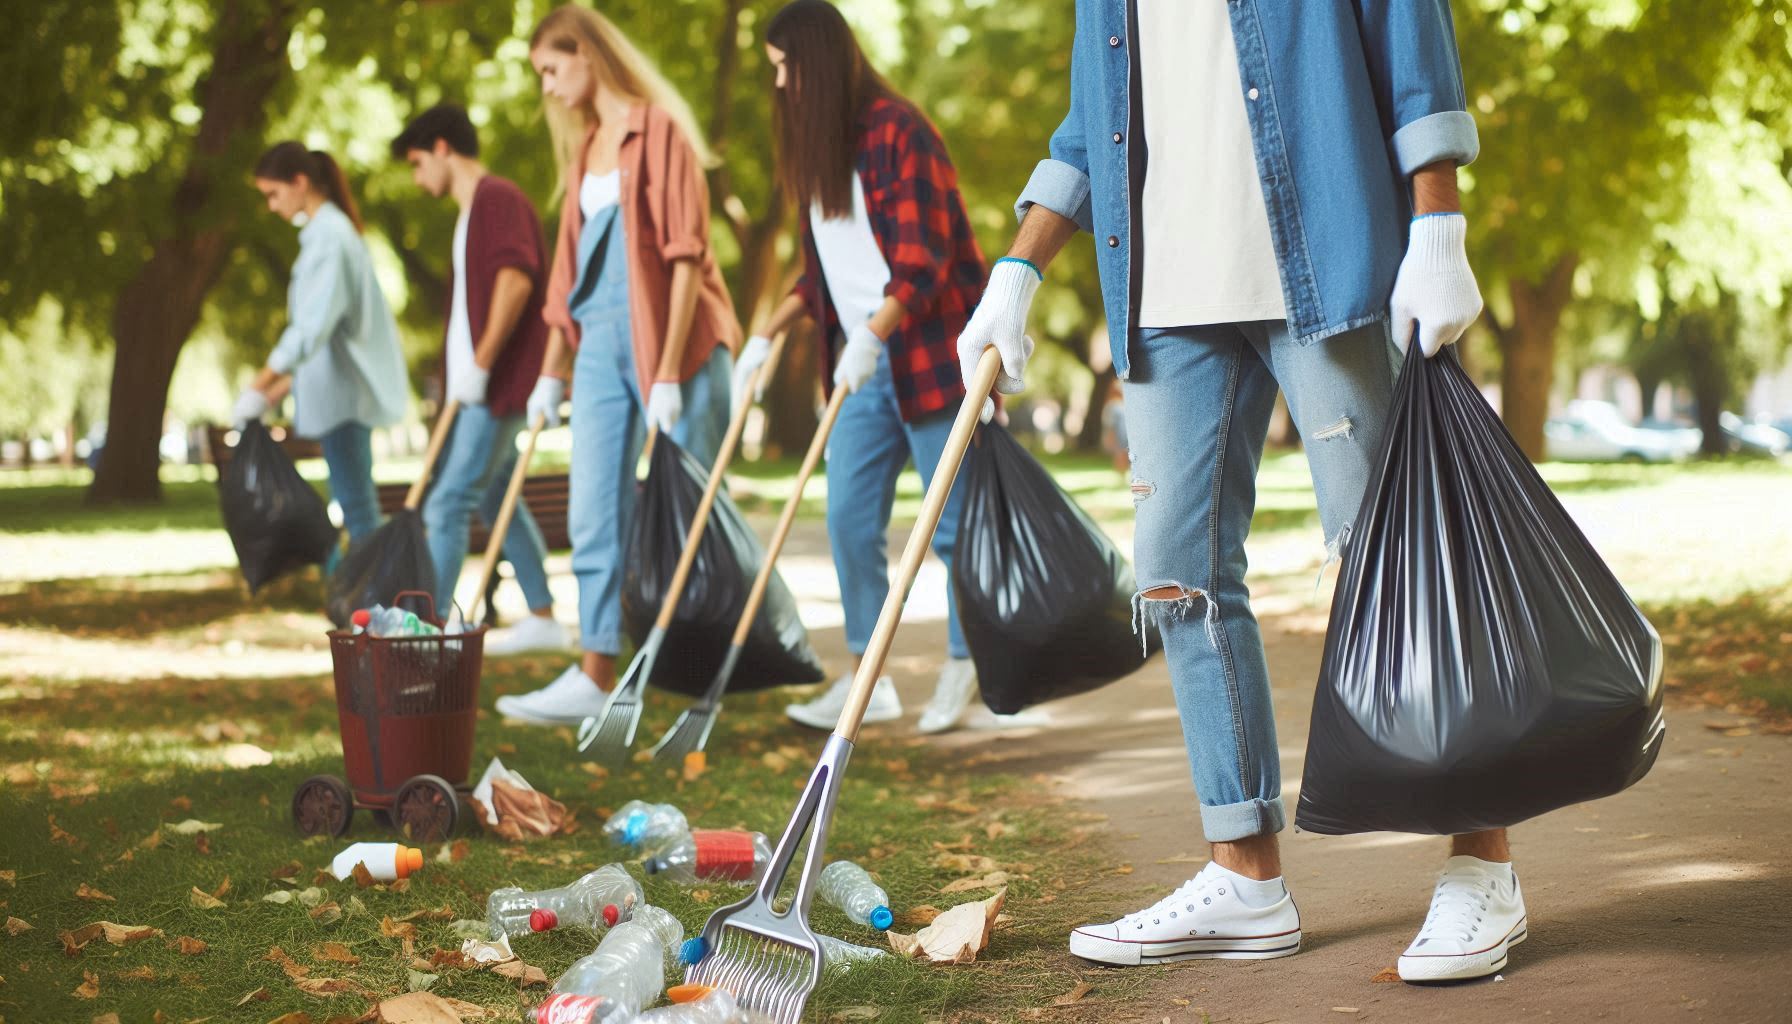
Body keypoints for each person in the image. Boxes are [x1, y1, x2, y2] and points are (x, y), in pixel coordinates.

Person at [956, 1, 1514, 984]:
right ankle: (1244, 875)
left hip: (1328, 264)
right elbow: (1094, 120)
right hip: (1165, 290)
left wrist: (1438, 220)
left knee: (1392, 568)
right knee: (1180, 585)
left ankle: (1483, 863)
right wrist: (1018, 267)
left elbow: (1408, 40)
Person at [736, 0, 993, 735]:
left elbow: (923, 262)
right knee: (849, 518)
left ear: (814, 62)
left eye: (784, 67)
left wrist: (872, 331)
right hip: (863, 363)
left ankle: (964, 665)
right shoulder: (824, 150)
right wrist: (768, 334)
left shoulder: (896, 131)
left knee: (951, 526)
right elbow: (820, 274)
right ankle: (867, 677)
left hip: (927, 353)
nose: (778, 83)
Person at [496, 4, 740, 725]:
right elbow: (565, 282)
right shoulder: (585, 153)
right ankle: (596, 670)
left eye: (551, 67)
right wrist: (550, 372)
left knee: (688, 518)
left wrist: (666, 371)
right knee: (592, 507)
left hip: (674, 343)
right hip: (598, 348)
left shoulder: (656, 130)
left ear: (587, 56)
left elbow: (687, 257)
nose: (546, 86)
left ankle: (705, 664)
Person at [389, 104, 567, 653]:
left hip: (496, 386)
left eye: (419, 164)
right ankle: (542, 615)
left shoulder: (497, 198)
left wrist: (483, 365)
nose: (419, 179)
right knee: (496, 497)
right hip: (478, 387)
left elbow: (516, 282)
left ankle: (431, 632)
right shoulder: (472, 211)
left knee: (448, 502)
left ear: (443, 148)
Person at [236, 143, 408, 554]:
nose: (272, 206)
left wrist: (258, 387)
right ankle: (372, 605)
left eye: (274, 194)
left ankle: (379, 609)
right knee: (356, 508)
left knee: (359, 512)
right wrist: (273, 393)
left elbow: (310, 331)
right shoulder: (324, 235)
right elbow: (322, 336)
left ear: (300, 182)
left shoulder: (331, 238)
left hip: (343, 402)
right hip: (339, 397)